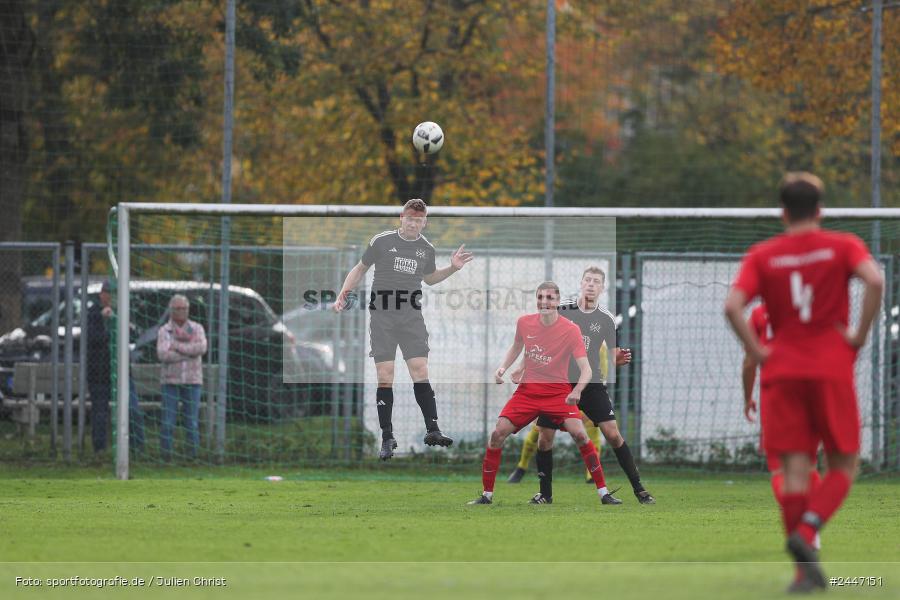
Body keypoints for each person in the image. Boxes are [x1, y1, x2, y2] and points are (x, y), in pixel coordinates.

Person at [724, 172, 883, 592]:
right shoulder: (843, 245)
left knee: (795, 472)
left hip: (782, 370)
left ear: (782, 213)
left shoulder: (763, 255)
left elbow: (732, 306)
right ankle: (809, 528)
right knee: (844, 464)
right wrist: (859, 334)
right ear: (820, 210)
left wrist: (758, 352)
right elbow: (876, 280)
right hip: (830, 366)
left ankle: (801, 574)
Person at [334, 198, 473, 460]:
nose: (414, 223)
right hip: (383, 317)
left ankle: (432, 429)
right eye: (410, 219)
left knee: (420, 370)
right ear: (402, 218)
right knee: (385, 375)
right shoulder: (382, 241)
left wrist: (453, 268)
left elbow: (430, 278)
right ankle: (387, 437)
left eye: (419, 220)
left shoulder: (426, 248)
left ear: (425, 222)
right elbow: (361, 268)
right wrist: (344, 292)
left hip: (411, 317)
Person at [508, 267, 653, 504]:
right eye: (588, 280)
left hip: (591, 383)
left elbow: (614, 355)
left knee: (613, 434)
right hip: (559, 383)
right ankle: (545, 494)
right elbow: (538, 342)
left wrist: (620, 359)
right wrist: (522, 366)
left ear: (602, 287)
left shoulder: (606, 318)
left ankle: (639, 490)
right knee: (545, 437)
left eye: (596, 281)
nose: (591, 284)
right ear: (581, 283)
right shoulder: (563, 310)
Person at [467, 281, 618, 506]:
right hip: (527, 393)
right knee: (498, 434)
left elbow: (586, 369)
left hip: (558, 393)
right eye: (540, 297)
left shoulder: (570, 329)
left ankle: (604, 493)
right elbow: (517, 347)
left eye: (549, 298)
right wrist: (502, 369)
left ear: (557, 302)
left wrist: (576, 391)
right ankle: (486, 495)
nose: (544, 302)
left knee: (580, 435)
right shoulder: (525, 323)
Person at [742, 303, 822, 568]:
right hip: (811, 391)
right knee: (808, 465)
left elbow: (750, 360)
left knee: (780, 469)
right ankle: (812, 528)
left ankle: (802, 529)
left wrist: (747, 398)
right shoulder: (811, 308)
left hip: (776, 392)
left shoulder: (759, 313)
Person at [86, 280, 144, 454]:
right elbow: (93, 339)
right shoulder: (93, 313)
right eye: (108, 293)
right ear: (101, 294)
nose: (111, 297)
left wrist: (120, 323)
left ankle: (137, 448)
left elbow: (134, 336)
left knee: (133, 409)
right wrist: (106, 323)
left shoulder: (124, 312)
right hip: (99, 372)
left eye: (115, 293)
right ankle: (100, 449)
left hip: (122, 372)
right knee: (100, 412)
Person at [157, 294, 207, 460]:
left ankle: (193, 457)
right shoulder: (164, 330)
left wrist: (177, 347)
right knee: (168, 422)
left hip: (193, 381)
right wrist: (189, 353)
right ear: (171, 310)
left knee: (191, 422)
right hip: (170, 381)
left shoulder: (197, 328)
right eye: (178, 308)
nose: (181, 312)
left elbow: (201, 348)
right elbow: (163, 354)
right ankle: (165, 457)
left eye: (184, 308)